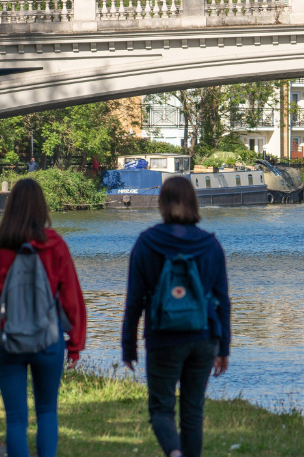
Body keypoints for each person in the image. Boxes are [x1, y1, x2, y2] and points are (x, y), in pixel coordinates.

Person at [122, 176, 231, 457]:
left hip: (163, 337)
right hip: (204, 336)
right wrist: (224, 348)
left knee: (161, 408)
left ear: (161, 204)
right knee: (193, 412)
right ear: (194, 202)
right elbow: (223, 302)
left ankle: (174, 452)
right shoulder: (211, 245)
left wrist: (129, 347)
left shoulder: (146, 243)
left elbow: (134, 301)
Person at [0, 179, 87, 457]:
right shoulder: (55, 245)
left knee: (15, 418)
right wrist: (75, 344)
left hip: (6, 336)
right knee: (47, 411)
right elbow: (72, 298)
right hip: (48, 339)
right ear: (42, 207)